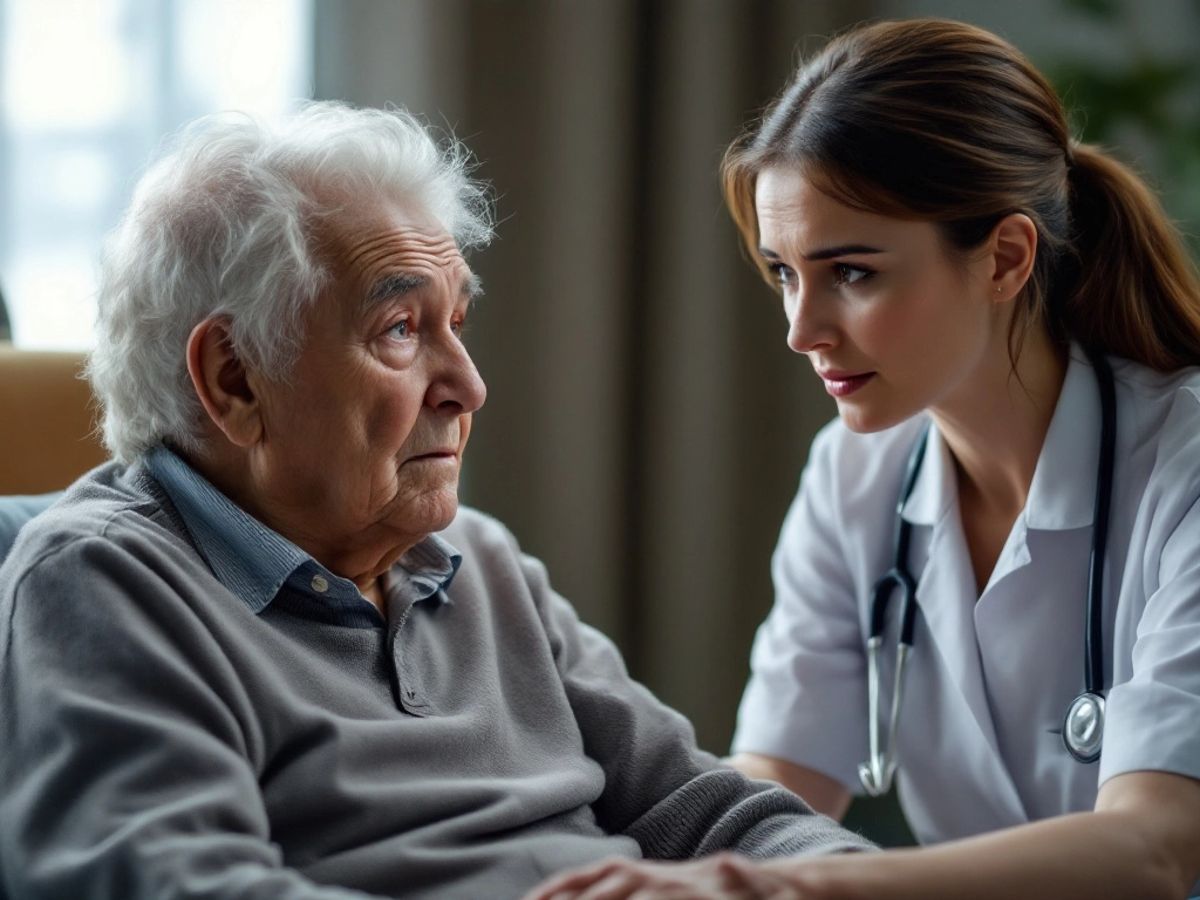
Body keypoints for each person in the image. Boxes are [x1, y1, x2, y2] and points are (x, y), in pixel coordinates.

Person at [0, 102, 874, 900]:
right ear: (234, 378)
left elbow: (710, 809)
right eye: (400, 330)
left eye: (458, 321)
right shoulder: (102, 584)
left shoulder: (477, 560)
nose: (468, 385)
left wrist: (855, 885)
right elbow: (183, 885)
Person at [531, 17, 1200, 900]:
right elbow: (769, 794)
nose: (801, 330)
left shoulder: (1182, 465)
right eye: (783, 272)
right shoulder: (856, 478)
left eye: (851, 272)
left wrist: (798, 890)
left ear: (1005, 258)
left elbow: (1157, 849)